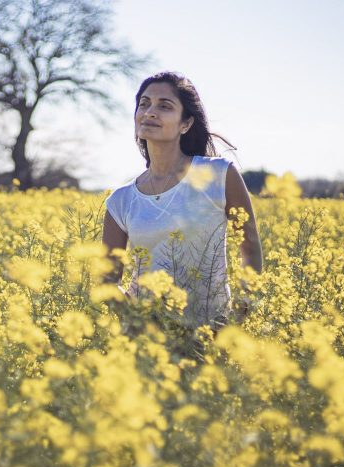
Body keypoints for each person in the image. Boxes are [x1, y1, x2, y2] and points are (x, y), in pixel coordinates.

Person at [102, 71, 263, 334]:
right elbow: (106, 281)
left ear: (185, 123)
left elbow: (251, 250)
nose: (150, 112)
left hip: (210, 334)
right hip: (144, 343)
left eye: (164, 106)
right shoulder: (121, 200)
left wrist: (237, 320)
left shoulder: (218, 175)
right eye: (144, 104)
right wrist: (139, 320)